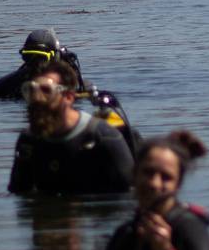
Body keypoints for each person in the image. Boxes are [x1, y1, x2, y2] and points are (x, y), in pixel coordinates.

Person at [90, 131, 209, 250]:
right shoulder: (125, 234)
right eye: (148, 173)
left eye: (166, 177)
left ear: (178, 184)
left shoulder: (191, 229)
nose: (154, 184)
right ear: (134, 175)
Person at [7, 57, 133, 197]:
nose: (37, 98)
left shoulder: (103, 137)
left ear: (68, 97)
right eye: (30, 90)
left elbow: (126, 200)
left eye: (46, 91)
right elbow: (19, 194)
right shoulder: (28, 141)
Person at [0, 28, 84, 100]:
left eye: (41, 58)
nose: (36, 65)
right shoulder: (7, 84)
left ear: (55, 57)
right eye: (29, 57)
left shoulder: (70, 81)